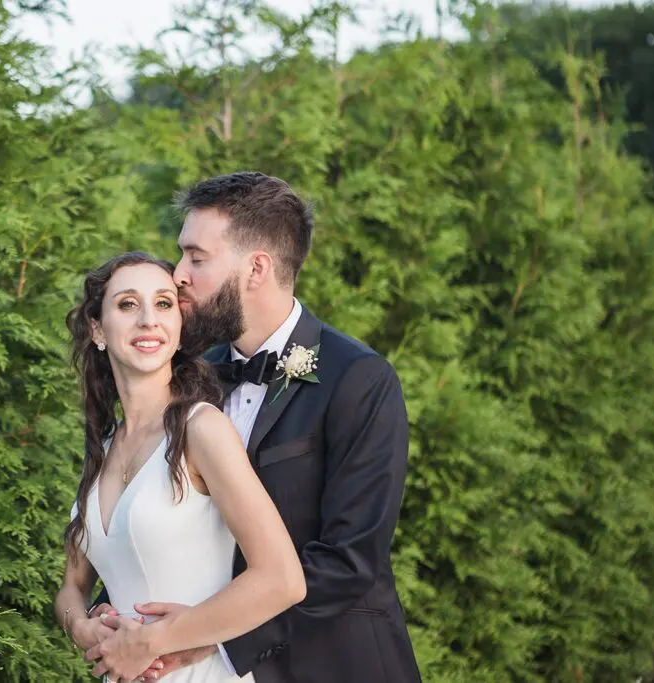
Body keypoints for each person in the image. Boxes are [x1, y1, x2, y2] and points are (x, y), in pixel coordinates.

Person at [88, 173, 422, 683]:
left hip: (334, 665)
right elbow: (163, 519)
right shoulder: (195, 376)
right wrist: (115, 612)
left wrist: (209, 638)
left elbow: (350, 560)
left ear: (256, 269)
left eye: (196, 258)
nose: (178, 275)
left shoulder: (359, 380)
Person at [54, 251, 307, 683]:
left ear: (178, 327)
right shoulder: (104, 447)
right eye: (128, 304)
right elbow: (71, 588)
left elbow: (283, 579)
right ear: (98, 328)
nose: (148, 320)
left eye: (163, 303)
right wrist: (81, 627)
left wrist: (152, 641)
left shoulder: (202, 429)